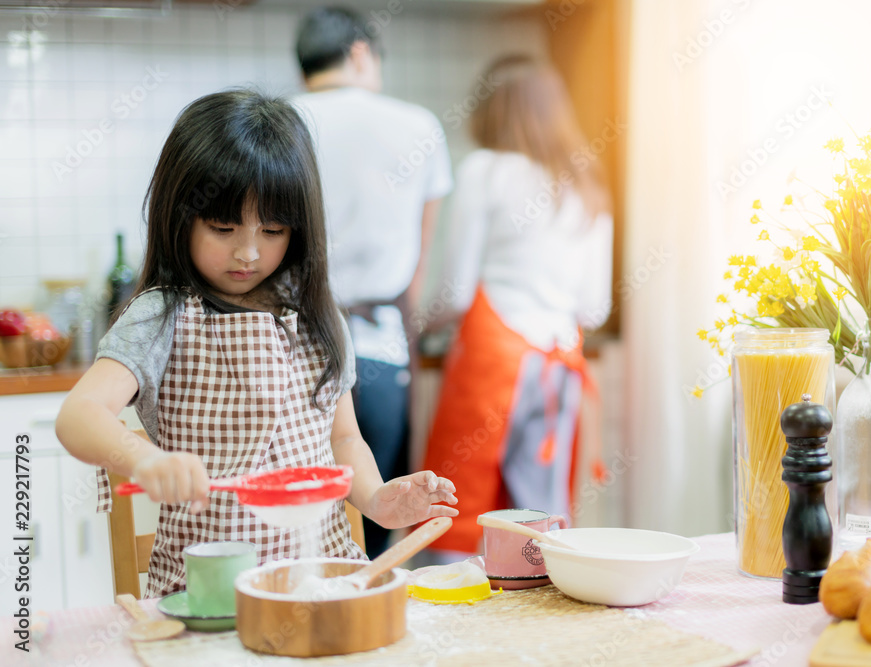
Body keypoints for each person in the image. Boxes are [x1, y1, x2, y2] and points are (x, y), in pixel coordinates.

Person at [55, 89, 457, 598]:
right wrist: (143, 459)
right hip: (211, 596)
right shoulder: (163, 315)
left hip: (322, 583)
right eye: (222, 227)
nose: (248, 252)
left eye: (272, 229)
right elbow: (78, 414)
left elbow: (342, 441)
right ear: (180, 216)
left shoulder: (317, 313)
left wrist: (376, 499)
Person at [419, 55, 613, 561]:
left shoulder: (485, 169)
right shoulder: (588, 185)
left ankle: (450, 626)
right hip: (559, 362)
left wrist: (415, 326)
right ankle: (538, 622)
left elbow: (456, 292)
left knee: (458, 508)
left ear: (492, 109)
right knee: (539, 521)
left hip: (494, 358)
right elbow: (593, 308)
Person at [292, 7, 454, 558]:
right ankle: (370, 621)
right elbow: (417, 268)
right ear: (361, 52)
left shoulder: (282, 123)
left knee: (297, 519)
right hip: (381, 347)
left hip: (292, 350)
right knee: (382, 517)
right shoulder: (419, 126)